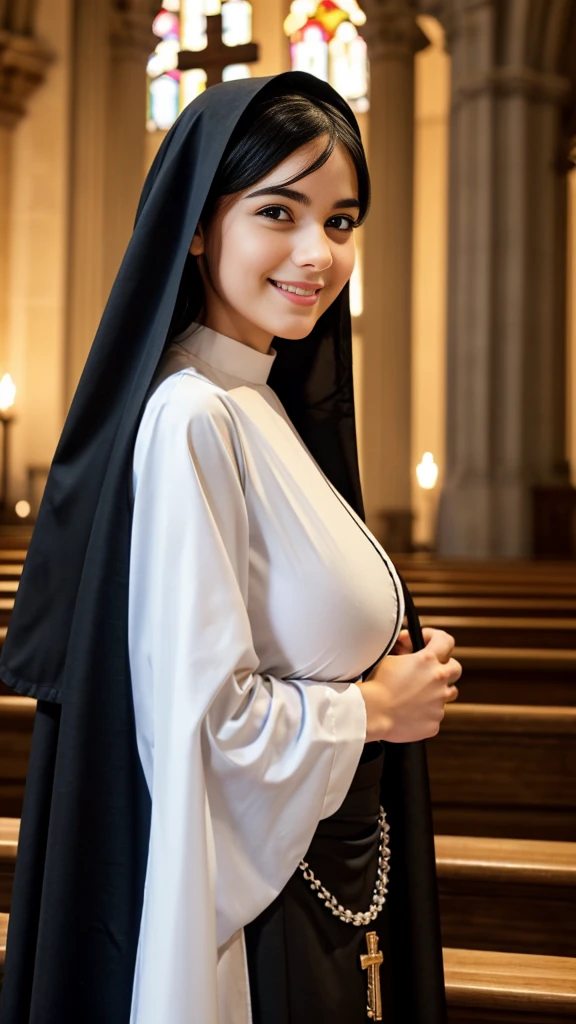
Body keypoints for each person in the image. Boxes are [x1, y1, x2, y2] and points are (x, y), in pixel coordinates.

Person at [0, 71, 461, 1024]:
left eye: (340, 222)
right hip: (261, 929)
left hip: (311, 888)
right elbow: (205, 734)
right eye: (279, 211)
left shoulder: (255, 403)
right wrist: (373, 708)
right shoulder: (191, 419)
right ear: (200, 226)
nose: (317, 254)